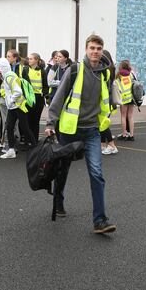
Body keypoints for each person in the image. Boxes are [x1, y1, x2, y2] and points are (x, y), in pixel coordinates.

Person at [45, 34, 116, 234]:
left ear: (102, 51)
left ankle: (100, 220)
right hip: (70, 130)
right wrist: (51, 122)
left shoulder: (104, 73)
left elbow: (106, 99)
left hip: (92, 130)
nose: (95, 51)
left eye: (99, 48)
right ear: (86, 49)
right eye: (92, 48)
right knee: (63, 169)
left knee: (96, 173)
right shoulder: (74, 70)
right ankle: (58, 199)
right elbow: (58, 98)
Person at [0, 57, 35, 159]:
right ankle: (11, 150)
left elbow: (18, 92)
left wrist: (10, 100)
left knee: (24, 128)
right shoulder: (8, 76)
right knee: (10, 127)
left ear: (1, 69)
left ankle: (36, 149)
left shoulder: (9, 77)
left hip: (18, 106)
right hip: (14, 106)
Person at [26, 52, 49, 140]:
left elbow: (45, 86)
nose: (29, 60)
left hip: (38, 98)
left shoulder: (42, 71)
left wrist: (45, 94)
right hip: (28, 98)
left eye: (31, 59)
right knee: (28, 121)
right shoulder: (25, 70)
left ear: (36, 60)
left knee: (36, 121)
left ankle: (34, 140)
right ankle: (28, 140)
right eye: (29, 58)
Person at [100, 50, 118, 155]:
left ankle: (112, 145)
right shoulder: (110, 68)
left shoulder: (106, 70)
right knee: (102, 124)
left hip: (106, 101)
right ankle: (103, 144)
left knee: (104, 124)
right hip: (107, 101)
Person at [116, 60, 136, 141]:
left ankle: (124, 134)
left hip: (123, 98)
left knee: (123, 116)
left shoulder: (118, 76)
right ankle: (131, 135)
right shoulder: (131, 74)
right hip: (131, 98)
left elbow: (116, 87)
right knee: (130, 116)